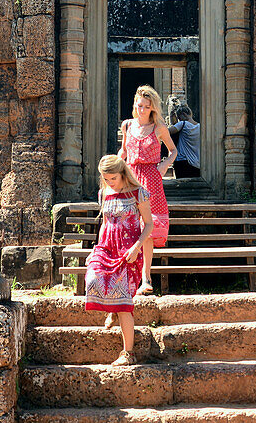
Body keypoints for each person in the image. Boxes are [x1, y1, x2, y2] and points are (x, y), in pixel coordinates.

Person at [84, 155, 154, 365]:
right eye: (105, 178)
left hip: (128, 251)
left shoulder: (138, 192)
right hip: (106, 247)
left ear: (123, 173)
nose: (108, 182)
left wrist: (136, 248)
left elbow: (149, 224)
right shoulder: (104, 192)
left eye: (112, 178)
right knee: (93, 278)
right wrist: (95, 249)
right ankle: (111, 309)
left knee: (124, 304)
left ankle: (128, 354)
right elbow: (105, 223)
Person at [118, 85, 176, 295]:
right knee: (126, 225)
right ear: (134, 105)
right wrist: (113, 170)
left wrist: (165, 164)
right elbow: (123, 153)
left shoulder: (159, 127)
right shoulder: (127, 126)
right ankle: (125, 274)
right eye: (139, 105)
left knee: (147, 229)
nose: (142, 109)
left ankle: (146, 278)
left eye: (146, 106)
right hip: (130, 178)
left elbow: (173, 150)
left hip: (151, 180)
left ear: (152, 108)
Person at [169, 105, 201, 178]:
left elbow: (167, 132)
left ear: (184, 114)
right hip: (197, 163)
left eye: (180, 118)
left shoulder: (183, 124)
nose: (180, 120)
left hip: (182, 161)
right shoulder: (200, 127)